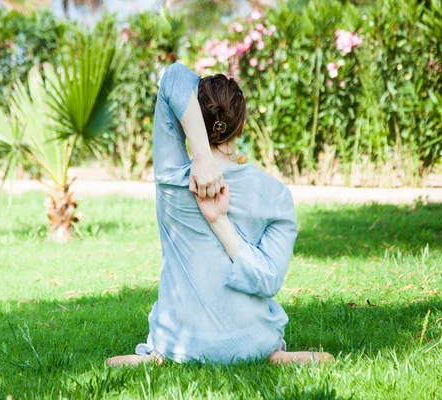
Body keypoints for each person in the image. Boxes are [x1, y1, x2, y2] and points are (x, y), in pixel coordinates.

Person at [107, 63, 333, 366]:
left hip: (178, 344)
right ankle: (271, 355)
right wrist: (218, 212)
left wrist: (200, 160)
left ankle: (159, 356)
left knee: (125, 360)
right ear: (241, 127)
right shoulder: (275, 194)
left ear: (192, 123)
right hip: (252, 342)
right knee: (273, 348)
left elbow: (173, 77)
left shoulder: (173, 178)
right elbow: (268, 281)